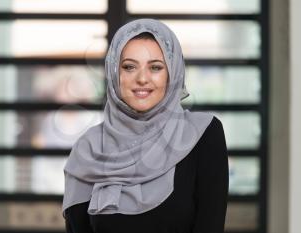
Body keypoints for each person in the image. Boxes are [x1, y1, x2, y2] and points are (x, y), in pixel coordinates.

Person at [62, 18, 228, 233]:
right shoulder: (89, 150)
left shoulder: (202, 134)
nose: (142, 78)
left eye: (156, 67)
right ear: (114, 74)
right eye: (129, 67)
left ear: (172, 73)